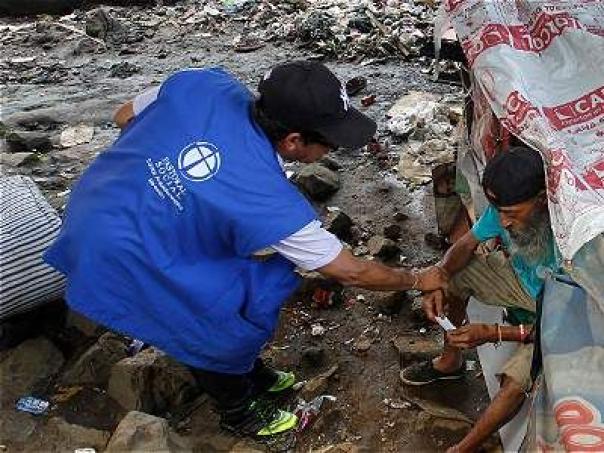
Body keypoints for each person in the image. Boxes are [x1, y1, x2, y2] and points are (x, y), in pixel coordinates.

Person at [44, 61, 448, 438]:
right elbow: (351, 270)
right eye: (330, 144)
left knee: (259, 276)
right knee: (210, 316)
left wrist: (167, 186)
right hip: (114, 248)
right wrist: (417, 278)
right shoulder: (267, 199)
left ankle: (248, 372)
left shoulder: (204, 83)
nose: (331, 152)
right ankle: (237, 411)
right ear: (294, 141)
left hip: (97, 200)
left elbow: (124, 116)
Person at [400, 146, 558, 452]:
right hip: (523, 283)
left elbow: (578, 326)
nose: (504, 222)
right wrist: (439, 276)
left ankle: (463, 448)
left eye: (512, 214)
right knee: (456, 277)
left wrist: (496, 332)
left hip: (560, 314)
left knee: (515, 381)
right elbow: (467, 243)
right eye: (499, 212)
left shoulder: (573, 238)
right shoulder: (505, 209)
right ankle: (451, 361)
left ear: (542, 199)